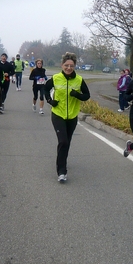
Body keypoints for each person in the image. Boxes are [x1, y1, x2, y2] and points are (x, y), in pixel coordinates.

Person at [44, 52, 90, 183]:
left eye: (71, 65)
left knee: (67, 141)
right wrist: (49, 100)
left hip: (72, 116)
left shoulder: (79, 80)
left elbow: (87, 95)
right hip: (58, 114)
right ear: (62, 65)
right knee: (63, 141)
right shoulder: (56, 78)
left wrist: (77, 95)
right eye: (66, 65)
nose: (68, 68)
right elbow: (45, 89)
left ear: (75, 66)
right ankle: (61, 171)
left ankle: (62, 160)